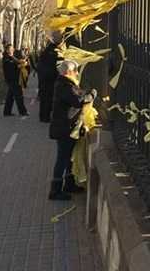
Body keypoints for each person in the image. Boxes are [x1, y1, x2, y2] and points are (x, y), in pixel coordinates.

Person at [49, 60, 96, 200]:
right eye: (76, 71)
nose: (77, 73)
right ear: (68, 72)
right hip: (64, 129)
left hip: (68, 128)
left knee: (70, 157)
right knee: (62, 159)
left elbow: (78, 95)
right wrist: (92, 95)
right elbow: (78, 100)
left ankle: (69, 184)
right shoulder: (64, 85)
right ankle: (55, 191)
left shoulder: (67, 84)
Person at [37, 31, 64, 123]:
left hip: (44, 78)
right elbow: (57, 64)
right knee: (48, 98)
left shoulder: (47, 50)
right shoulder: (54, 51)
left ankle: (43, 116)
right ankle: (45, 117)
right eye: (60, 38)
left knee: (45, 98)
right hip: (49, 78)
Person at [2, 44, 29, 116]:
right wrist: (20, 66)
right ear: (7, 50)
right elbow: (11, 68)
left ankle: (7, 112)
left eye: (12, 49)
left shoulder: (11, 57)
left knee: (10, 96)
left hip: (14, 79)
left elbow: (17, 61)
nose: (12, 50)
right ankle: (23, 112)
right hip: (12, 79)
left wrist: (23, 62)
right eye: (10, 49)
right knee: (19, 96)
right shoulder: (6, 58)